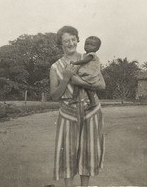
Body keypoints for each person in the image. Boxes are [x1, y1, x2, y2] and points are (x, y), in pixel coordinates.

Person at [49, 25, 105, 187]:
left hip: (91, 110)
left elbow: (102, 86)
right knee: (68, 152)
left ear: (78, 40)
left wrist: (80, 82)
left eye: (73, 39)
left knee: (87, 152)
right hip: (68, 112)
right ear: (60, 43)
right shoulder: (55, 67)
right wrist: (66, 78)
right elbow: (54, 96)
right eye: (66, 40)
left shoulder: (88, 57)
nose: (70, 43)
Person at [68, 36, 102, 111]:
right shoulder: (85, 55)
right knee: (87, 89)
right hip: (88, 75)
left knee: (77, 84)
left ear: (97, 48)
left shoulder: (91, 55)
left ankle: (74, 98)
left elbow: (84, 61)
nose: (88, 46)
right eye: (87, 44)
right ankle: (92, 102)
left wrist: (75, 63)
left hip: (89, 75)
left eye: (92, 45)